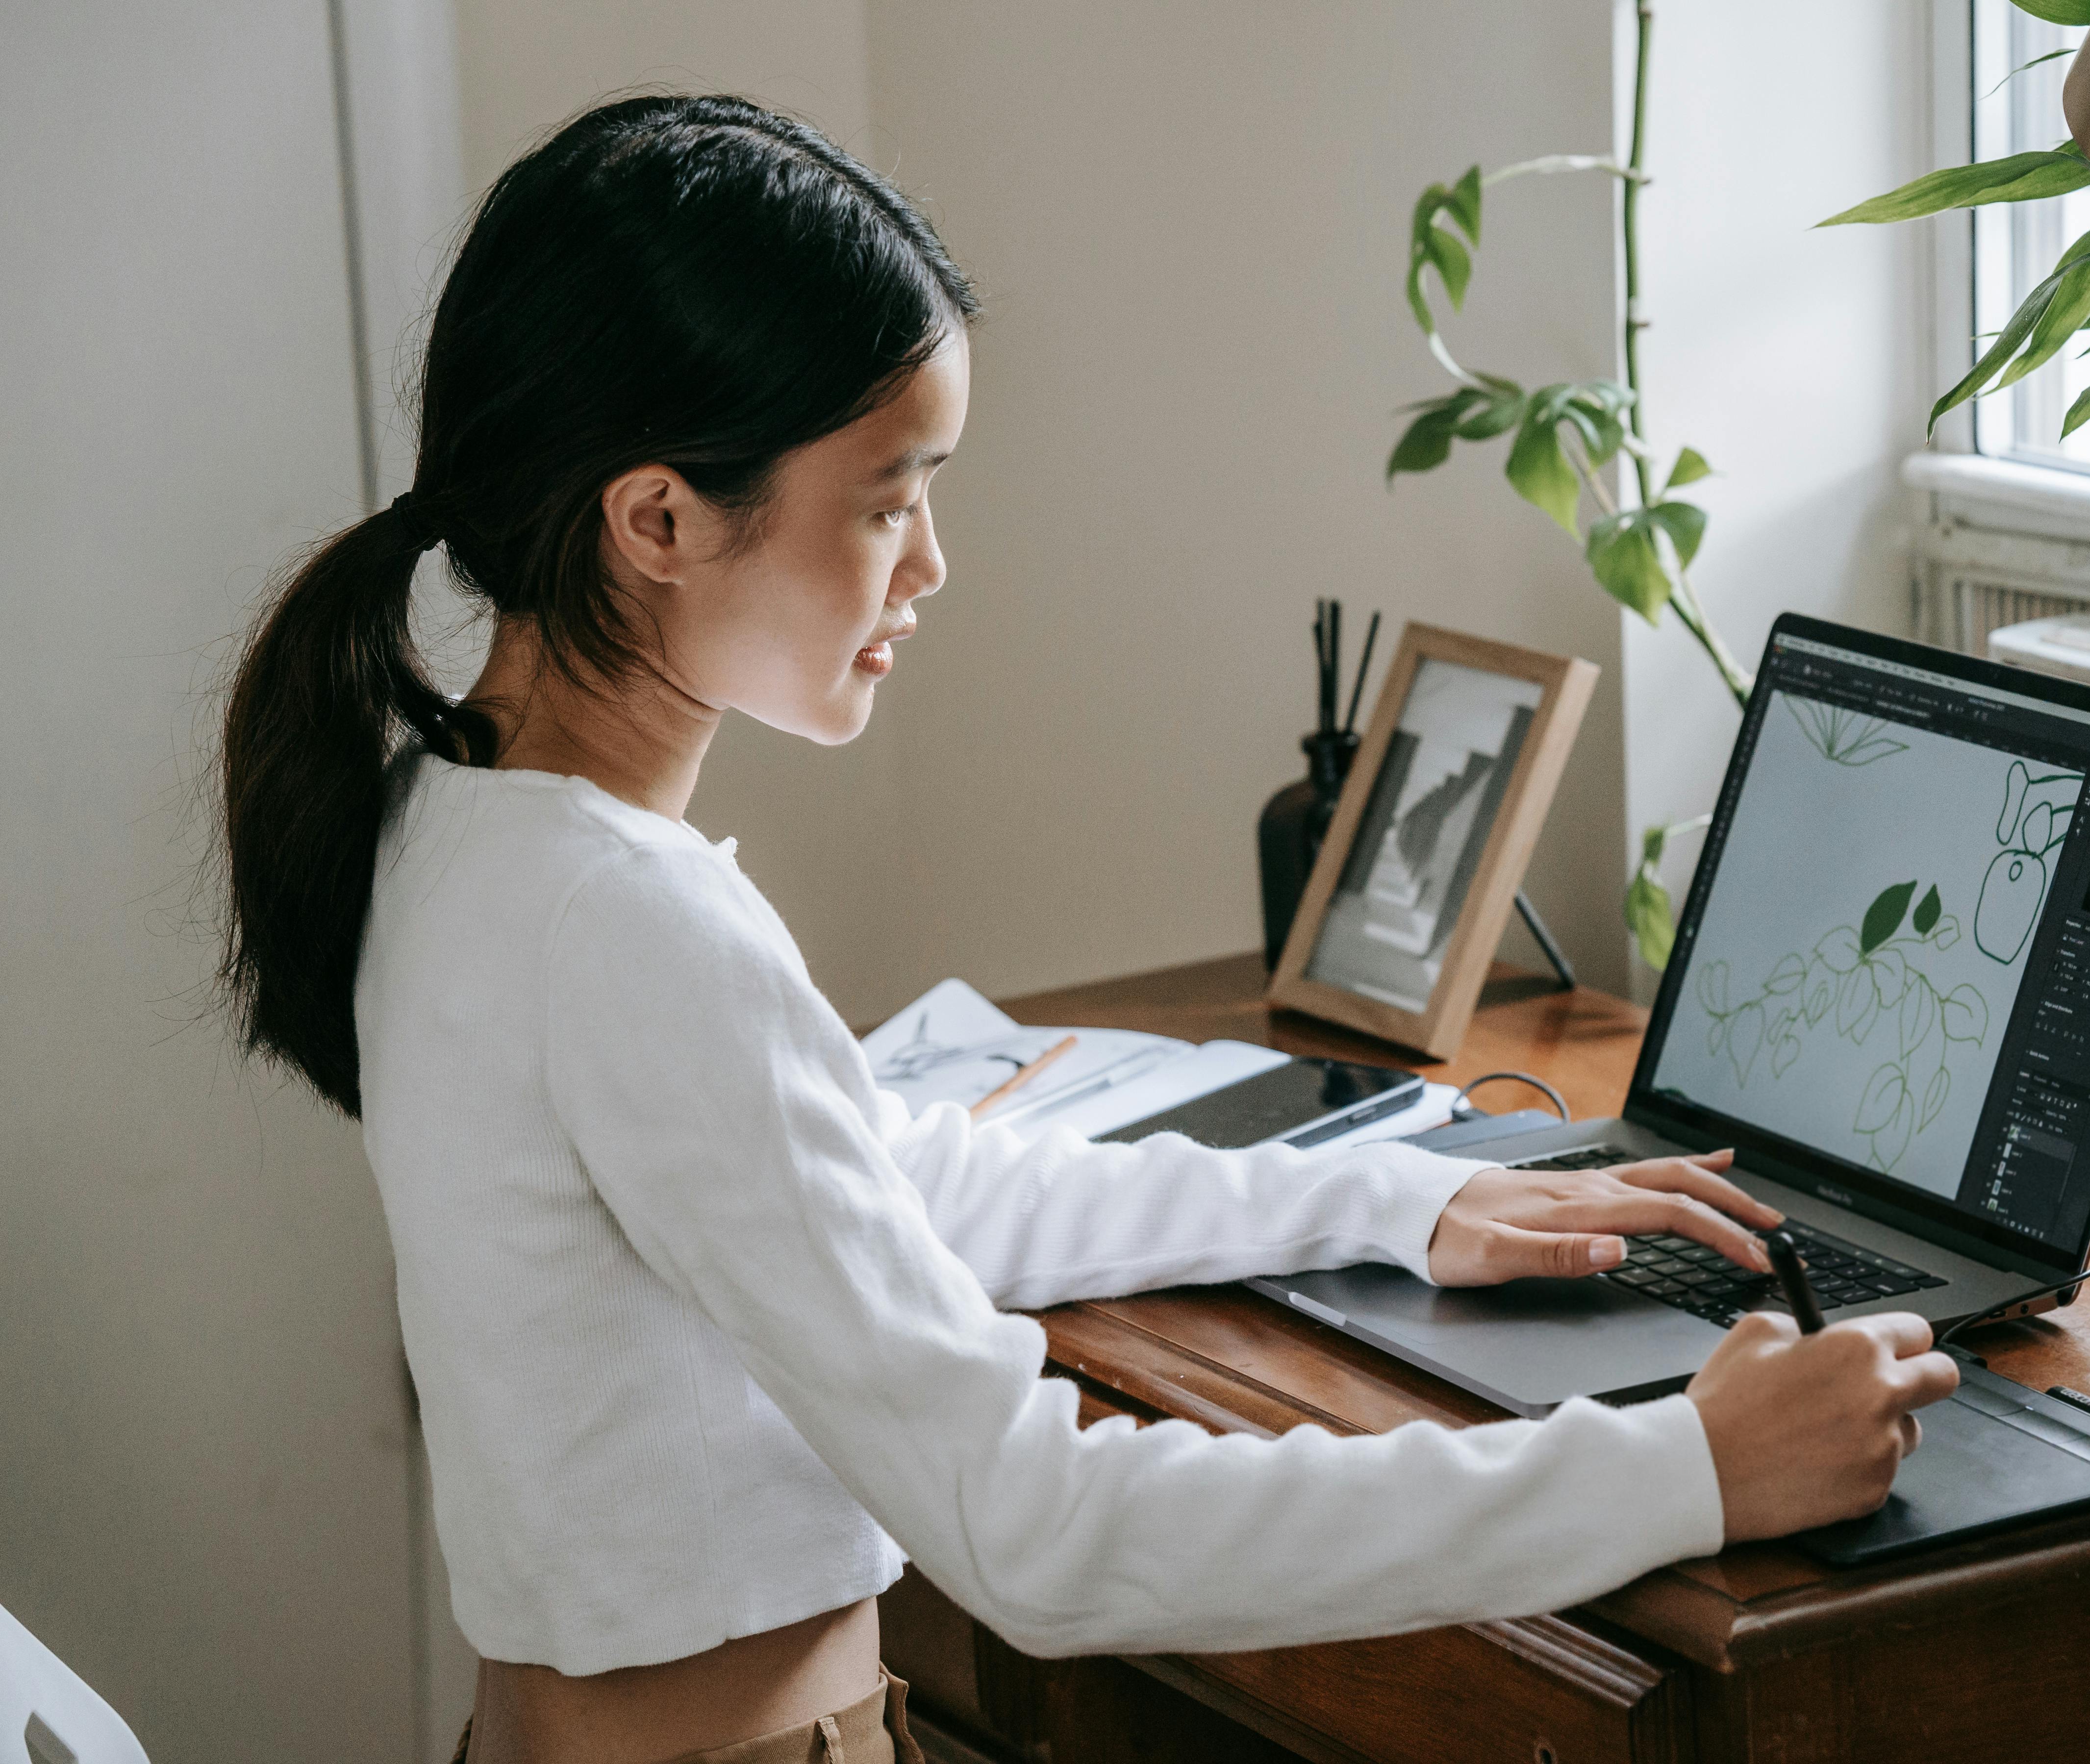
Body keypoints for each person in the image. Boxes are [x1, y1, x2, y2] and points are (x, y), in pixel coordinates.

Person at [216, 95, 1957, 1764]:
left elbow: (888, 1186)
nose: (931, 566)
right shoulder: (628, 926)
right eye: (889, 498)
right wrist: (1687, 1467)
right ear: (659, 517)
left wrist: (1398, 1197)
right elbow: (1035, 1533)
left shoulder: (456, 822)